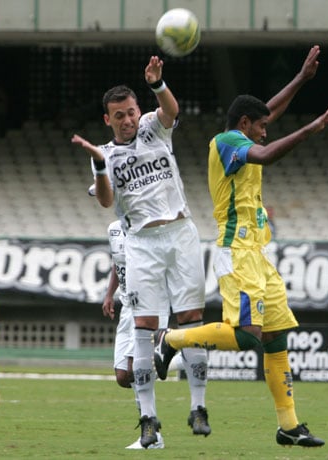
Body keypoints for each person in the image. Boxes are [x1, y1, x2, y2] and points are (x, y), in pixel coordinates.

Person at [153, 45, 328, 448]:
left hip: (257, 253)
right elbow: (269, 155)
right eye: (260, 126)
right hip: (235, 253)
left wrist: (301, 79)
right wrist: (310, 128)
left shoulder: (241, 131)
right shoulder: (225, 142)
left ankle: (288, 426)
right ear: (243, 124)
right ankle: (170, 339)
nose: (265, 130)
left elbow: (266, 114)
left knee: (275, 340)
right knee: (249, 335)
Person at [71, 55, 210, 449]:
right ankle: (149, 420)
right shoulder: (105, 155)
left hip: (181, 230)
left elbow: (171, 110)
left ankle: (198, 407)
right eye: (119, 116)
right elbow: (104, 201)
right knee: (144, 328)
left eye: (131, 112)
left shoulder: (154, 128)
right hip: (142, 243)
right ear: (107, 120)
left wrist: (157, 84)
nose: (128, 120)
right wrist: (99, 165)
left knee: (191, 320)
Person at [101, 219, 189, 450]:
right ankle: (179, 359)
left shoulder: (150, 228)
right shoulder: (113, 228)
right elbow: (116, 262)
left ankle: (151, 435)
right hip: (127, 306)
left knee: (135, 369)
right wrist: (109, 293)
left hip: (151, 304)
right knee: (123, 377)